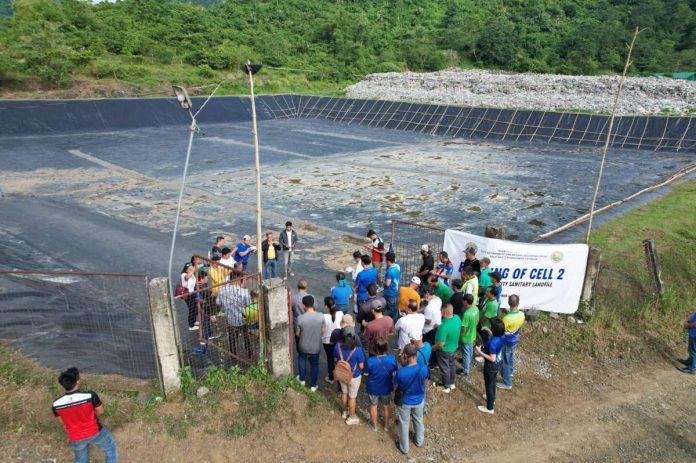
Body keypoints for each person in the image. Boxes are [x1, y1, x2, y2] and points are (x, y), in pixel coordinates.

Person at [53, 367, 118, 463]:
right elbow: (100, 411)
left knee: (80, 459)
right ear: (77, 381)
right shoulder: (90, 396)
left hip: (75, 436)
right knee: (111, 449)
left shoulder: (56, 404)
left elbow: (62, 421)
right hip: (95, 432)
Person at [394, 344, 430, 455]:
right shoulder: (423, 368)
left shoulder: (401, 372)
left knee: (404, 423)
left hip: (405, 402)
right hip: (419, 400)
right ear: (417, 354)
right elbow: (425, 383)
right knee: (418, 420)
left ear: (405, 355)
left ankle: (404, 448)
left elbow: (395, 387)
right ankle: (419, 441)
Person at [334, 325, 365, 425]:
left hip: (342, 374)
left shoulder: (337, 346)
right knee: (352, 397)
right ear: (353, 336)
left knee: (344, 393)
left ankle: (345, 411)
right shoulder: (358, 349)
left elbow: (335, 360)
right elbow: (361, 366)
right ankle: (351, 417)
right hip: (354, 376)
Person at [365, 337, 397, 432]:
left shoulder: (370, 361)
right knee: (386, 405)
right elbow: (395, 372)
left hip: (373, 388)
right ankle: (386, 426)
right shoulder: (392, 359)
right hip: (386, 387)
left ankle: (374, 426)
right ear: (386, 347)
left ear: (374, 348)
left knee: (373, 405)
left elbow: (366, 373)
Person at [296, 295, 325, 391]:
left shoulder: (300, 318)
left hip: (303, 344)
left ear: (304, 306)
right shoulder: (321, 316)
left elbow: (298, 334)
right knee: (314, 364)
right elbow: (323, 330)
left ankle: (302, 380)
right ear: (313, 304)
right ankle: (313, 385)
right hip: (315, 345)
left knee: (302, 359)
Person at [217, 277, 252, 359]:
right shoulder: (244, 292)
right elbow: (249, 305)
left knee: (232, 338)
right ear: (238, 280)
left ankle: (233, 355)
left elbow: (218, 302)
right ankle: (249, 353)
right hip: (242, 319)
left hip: (230, 319)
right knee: (246, 336)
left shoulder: (222, 290)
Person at [476, 318, 505, 414]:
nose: (490, 327)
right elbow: (496, 336)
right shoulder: (502, 336)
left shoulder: (493, 343)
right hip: (498, 363)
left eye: (491, 327)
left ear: (494, 330)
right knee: (493, 382)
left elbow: (492, 358)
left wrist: (480, 352)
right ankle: (492, 399)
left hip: (491, 366)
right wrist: (489, 331)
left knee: (489, 384)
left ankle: (489, 408)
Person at [498, 294, 525, 390]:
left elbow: (502, 331)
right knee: (511, 356)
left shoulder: (507, 318)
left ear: (509, 303)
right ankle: (510, 372)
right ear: (518, 303)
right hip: (515, 339)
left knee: (505, 360)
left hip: (507, 341)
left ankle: (507, 383)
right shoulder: (522, 314)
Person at [433, 303, 461, 392]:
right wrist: (439, 327)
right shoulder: (457, 318)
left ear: (443, 313)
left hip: (444, 350)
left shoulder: (443, 327)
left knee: (444, 367)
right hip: (453, 347)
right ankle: (452, 383)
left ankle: (446, 386)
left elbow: (441, 343)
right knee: (452, 365)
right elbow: (450, 330)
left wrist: (434, 347)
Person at [322, 296, 344, 384]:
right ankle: (341, 376)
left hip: (327, 342)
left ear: (326, 306)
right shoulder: (341, 313)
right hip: (338, 341)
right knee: (339, 358)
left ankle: (331, 378)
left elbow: (322, 330)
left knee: (330, 359)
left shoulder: (323, 317)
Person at [460, 294, 479, 380]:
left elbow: (464, 328)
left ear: (466, 301)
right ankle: (468, 364)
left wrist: (460, 335)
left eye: (463, 300)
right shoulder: (476, 309)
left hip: (466, 337)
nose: (462, 301)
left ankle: (465, 370)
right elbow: (477, 321)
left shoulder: (466, 314)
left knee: (465, 354)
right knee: (470, 350)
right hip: (473, 334)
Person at [422, 289, 442, 366]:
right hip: (437, 325)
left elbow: (428, 321)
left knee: (429, 347)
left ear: (427, 294)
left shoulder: (429, 307)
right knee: (435, 346)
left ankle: (430, 363)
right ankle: (436, 363)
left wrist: (421, 317)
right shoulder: (438, 299)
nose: (424, 296)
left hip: (429, 329)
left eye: (425, 295)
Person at [291, 279, 312, 349]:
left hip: (297, 323)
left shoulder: (292, 298)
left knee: (299, 341)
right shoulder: (311, 297)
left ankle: (301, 353)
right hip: (309, 322)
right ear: (306, 287)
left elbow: (290, 309)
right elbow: (314, 308)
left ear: (297, 287)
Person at [383, 252, 400, 321]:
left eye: (385, 260)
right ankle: (393, 319)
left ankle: (391, 321)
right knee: (393, 307)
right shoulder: (397, 266)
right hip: (395, 290)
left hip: (389, 292)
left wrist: (382, 281)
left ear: (388, 261)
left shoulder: (390, 271)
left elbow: (387, 284)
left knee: (390, 308)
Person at [180, 262, 198, 331]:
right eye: (189, 269)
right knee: (191, 309)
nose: (190, 270)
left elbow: (193, 282)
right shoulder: (183, 274)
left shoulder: (191, 274)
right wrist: (192, 270)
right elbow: (187, 277)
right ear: (186, 270)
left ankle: (193, 322)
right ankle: (191, 325)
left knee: (194, 308)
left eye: (191, 269)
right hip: (188, 295)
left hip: (192, 294)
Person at [678, 310, 696, 374]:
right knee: (692, 349)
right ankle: (690, 361)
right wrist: (687, 321)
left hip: (694, 334)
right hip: (693, 333)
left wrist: (688, 325)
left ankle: (692, 368)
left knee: (692, 350)